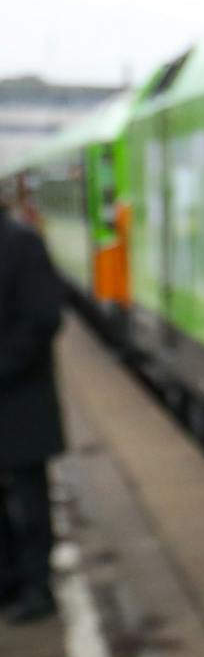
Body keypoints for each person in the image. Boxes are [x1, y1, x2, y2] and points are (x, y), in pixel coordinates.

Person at [0, 195, 66, 624]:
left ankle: (37, 585)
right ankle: (8, 580)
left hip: (19, 397)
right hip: (15, 393)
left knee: (29, 496)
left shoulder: (21, 244)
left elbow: (45, 318)